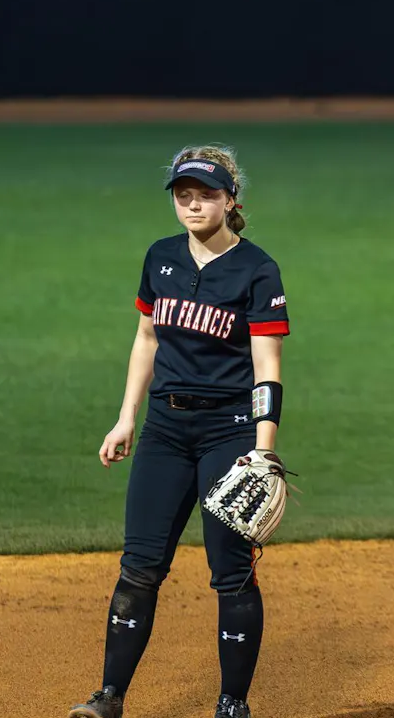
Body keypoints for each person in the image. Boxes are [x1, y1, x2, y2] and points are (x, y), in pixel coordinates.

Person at [69, 145, 292, 718]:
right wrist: (127, 417)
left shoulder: (257, 269)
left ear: (230, 199)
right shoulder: (159, 257)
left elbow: (267, 366)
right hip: (165, 431)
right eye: (184, 194)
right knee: (138, 568)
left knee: (232, 573)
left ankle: (232, 704)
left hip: (229, 433)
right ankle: (109, 697)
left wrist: (263, 453)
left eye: (206, 194)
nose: (193, 204)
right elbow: (147, 338)